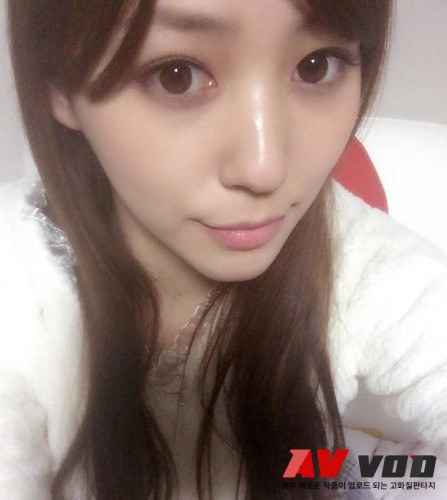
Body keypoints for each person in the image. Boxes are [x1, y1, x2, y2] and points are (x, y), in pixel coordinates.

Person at [2, 0, 446, 498]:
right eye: (176, 76)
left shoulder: (356, 256)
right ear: (59, 85)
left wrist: (345, 472)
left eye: (315, 66)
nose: (264, 169)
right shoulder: (17, 283)